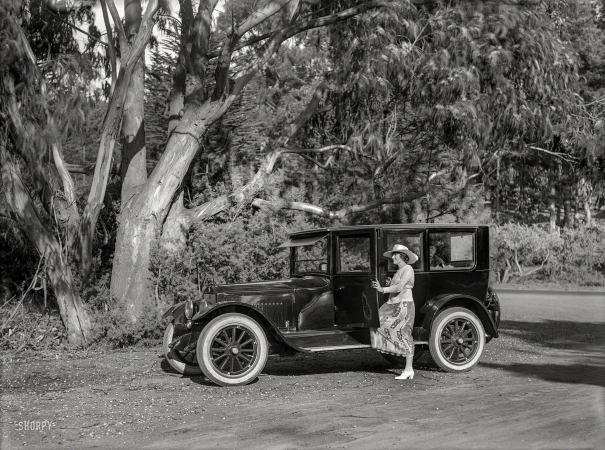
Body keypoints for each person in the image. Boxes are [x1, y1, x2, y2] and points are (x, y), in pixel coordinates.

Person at [370, 244, 417, 380]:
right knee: (377, 322)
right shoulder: (400, 270)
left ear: (403, 256)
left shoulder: (408, 269)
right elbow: (397, 286)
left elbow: (399, 287)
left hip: (404, 305)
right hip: (394, 304)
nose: (393, 257)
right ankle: (398, 353)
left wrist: (382, 289)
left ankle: (409, 369)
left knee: (404, 333)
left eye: (395, 254)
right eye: (393, 254)